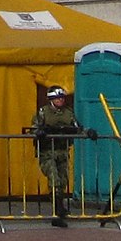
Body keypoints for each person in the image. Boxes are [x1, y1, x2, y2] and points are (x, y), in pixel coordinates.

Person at [32, 84, 81, 227]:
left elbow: (77, 127)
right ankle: (57, 212)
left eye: (61, 98)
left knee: (63, 180)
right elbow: (33, 129)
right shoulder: (43, 113)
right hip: (48, 152)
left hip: (62, 151)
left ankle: (60, 207)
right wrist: (39, 133)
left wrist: (87, 131)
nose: (60, 101)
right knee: (54, 179)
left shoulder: (68, 113)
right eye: (57, 98)